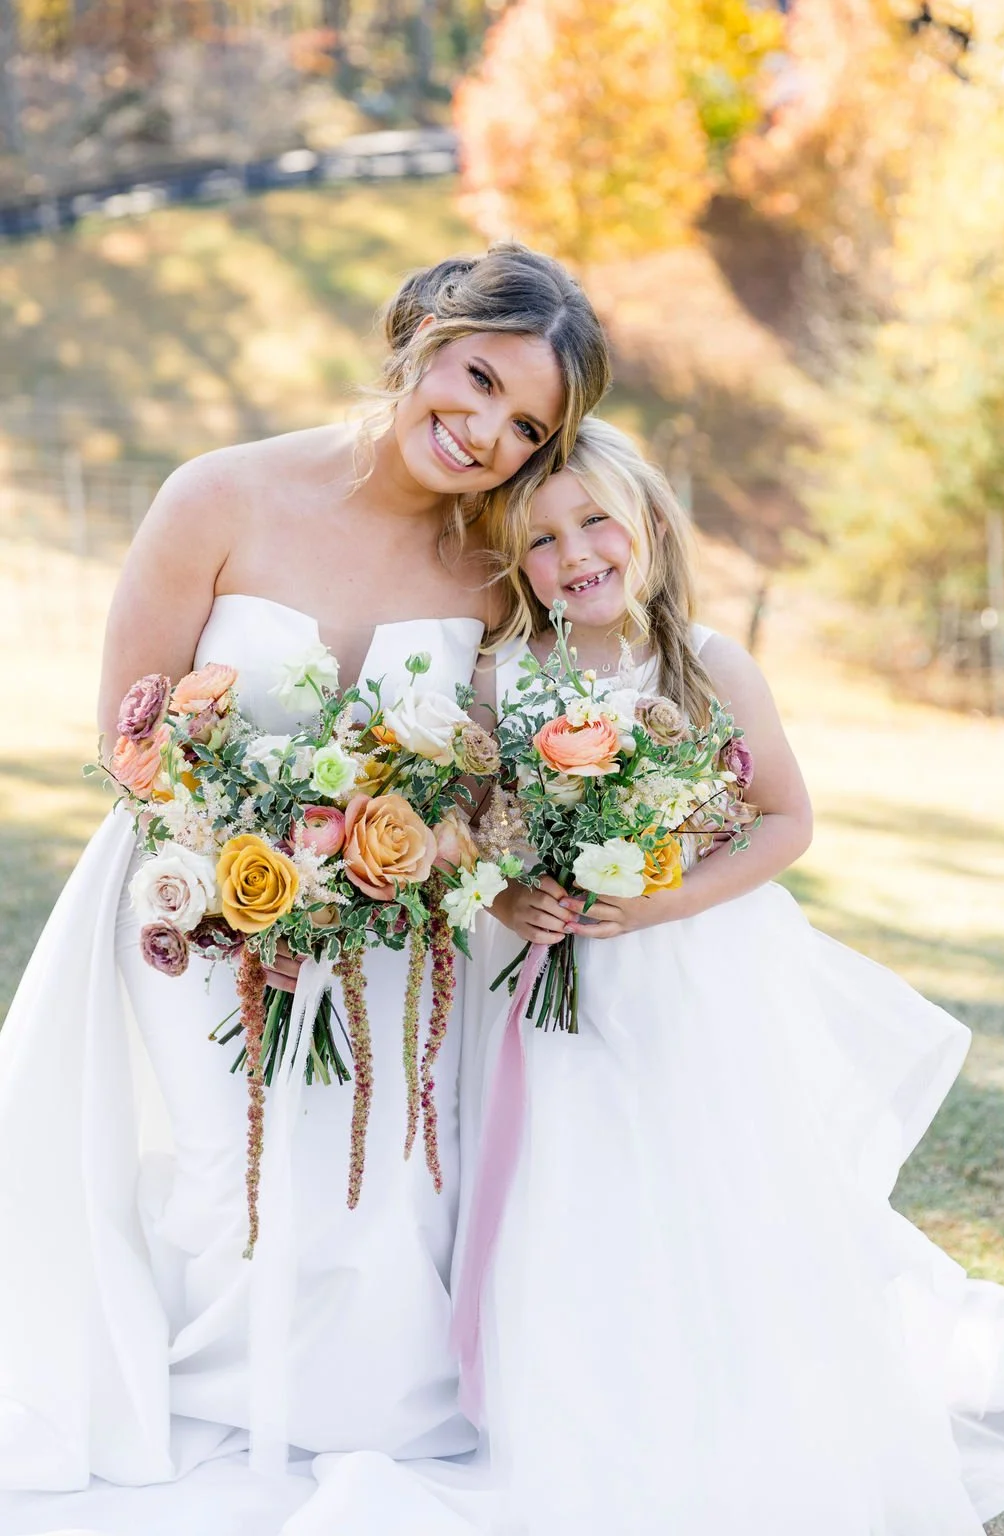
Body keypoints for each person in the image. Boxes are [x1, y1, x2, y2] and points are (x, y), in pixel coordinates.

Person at [0, 245, 611, 1536]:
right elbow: (128, 734)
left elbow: (488, 769)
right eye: (480, 377)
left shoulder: (494, 563)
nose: (487, 431)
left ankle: (351, 1413)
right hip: (186, 905)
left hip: (393, 934)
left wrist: (421, 869)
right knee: (227, 1180)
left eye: (527, 427)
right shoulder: (222, 494)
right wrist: (250, 869)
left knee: (373, 1190)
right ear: (429, 333)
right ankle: (195, 1393)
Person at [456, 415, 1004, 1534]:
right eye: (540, 541)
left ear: (651, 527)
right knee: (572, 1181)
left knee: (709, 1176)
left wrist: (660, 900)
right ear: (513, 564)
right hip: (557, 984)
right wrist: (515, 891)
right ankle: (593, 1392)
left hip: (694, 978)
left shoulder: (708, 664)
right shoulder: (502, 675)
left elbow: (784, 822)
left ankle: (734, 1379)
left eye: (596, 524)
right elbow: (477, 829)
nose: (575, 555)